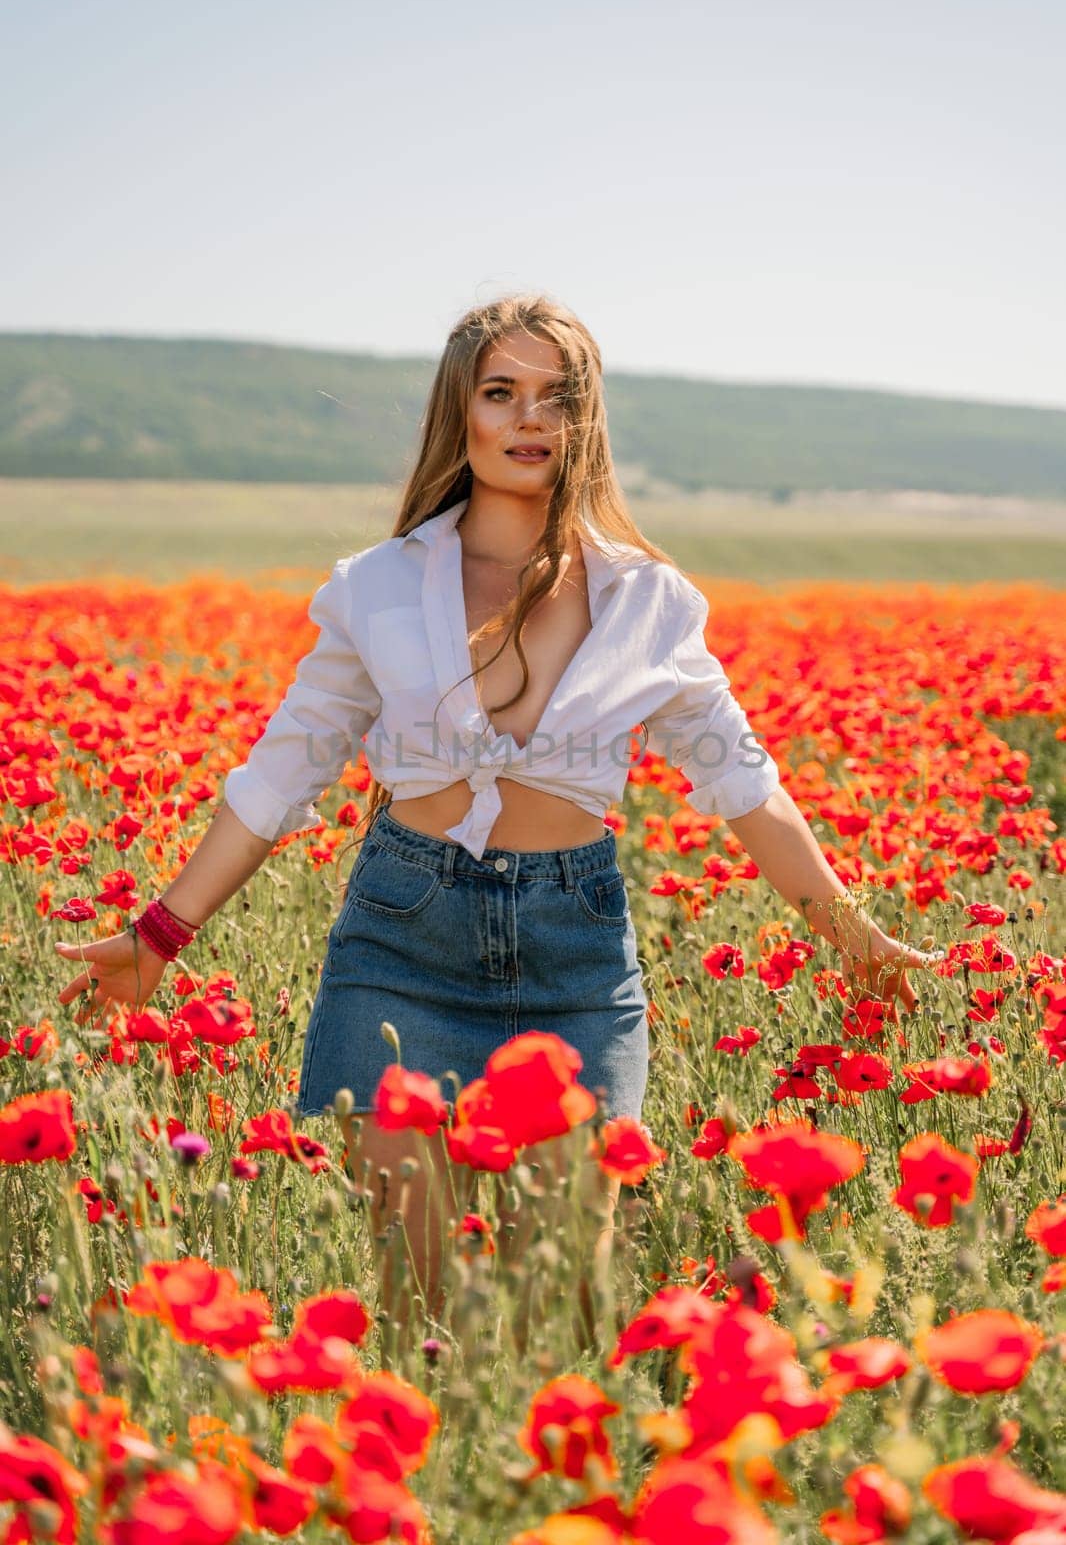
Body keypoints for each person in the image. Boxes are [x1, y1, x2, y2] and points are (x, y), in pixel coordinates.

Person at [54, 292, 942, 1348]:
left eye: (556, 397)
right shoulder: (378, 589)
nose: (530, 418)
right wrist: (158, 934)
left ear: (586, 421)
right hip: (400, 949)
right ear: (461, 414)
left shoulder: (649, 601)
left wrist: (854, 937)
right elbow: (281, 772)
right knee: (414, 1313)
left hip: (575, 966)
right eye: (501, 392)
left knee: (556, 1303)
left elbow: (742, 783)